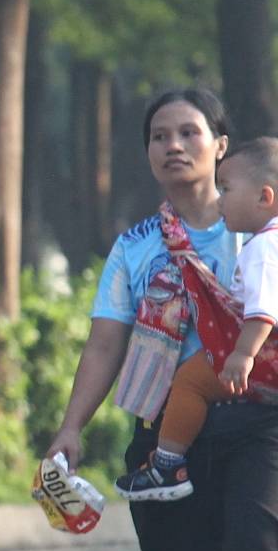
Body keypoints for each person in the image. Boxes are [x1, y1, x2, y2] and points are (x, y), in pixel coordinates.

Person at [44, 87, 243, 551]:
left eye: (188, 133)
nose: (173, 146)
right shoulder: (135, 246)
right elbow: (105, 343)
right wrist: (71, 427)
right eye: (160, 136)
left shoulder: (256, 231)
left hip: (252, 423)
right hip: (164, 437)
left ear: (220, 145)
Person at [115, 137, 278, 502]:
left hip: (264, 357)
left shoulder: (264, 247)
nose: (220, 200)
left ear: (264, 197)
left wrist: (243, 354)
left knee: (190, 381)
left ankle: (167, 464)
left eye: (227, 189)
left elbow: (264, 309)